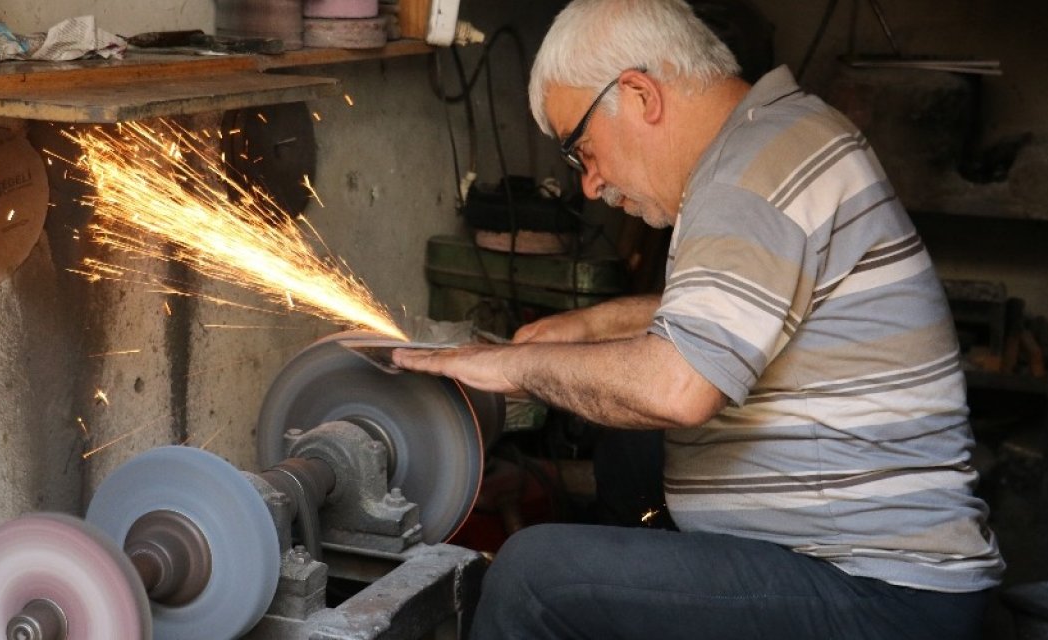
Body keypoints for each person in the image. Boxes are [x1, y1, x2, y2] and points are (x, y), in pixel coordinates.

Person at [394, 0, 1005, 637]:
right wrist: (593, 326)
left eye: (582, 151)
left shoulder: (750, 177)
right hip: (880, 570)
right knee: (630, 453)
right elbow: (750, 307)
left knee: (531, 578)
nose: (591, 186)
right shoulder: (778, 134)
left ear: (637, 95)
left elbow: (678, 389)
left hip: (883, 590)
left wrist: (510, 365)